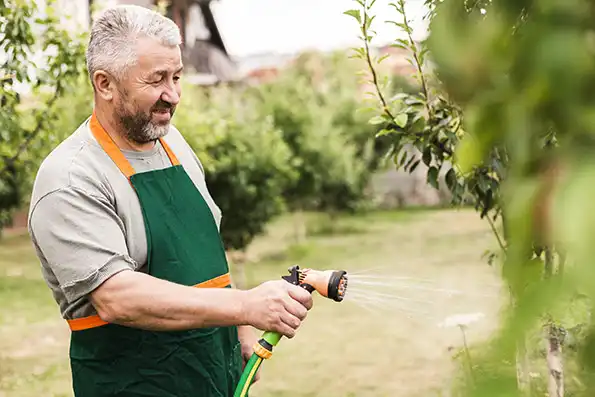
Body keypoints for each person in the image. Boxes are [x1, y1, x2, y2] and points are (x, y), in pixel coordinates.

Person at [27, 5, 313, 397]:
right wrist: (244, 306)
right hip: (136, 385)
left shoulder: (172, 144)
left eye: (177, 76)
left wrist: (240, 329)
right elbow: (117, 298)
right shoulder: (71, 177)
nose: (173, 95)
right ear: (105, 83)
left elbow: (205, 247)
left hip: (212, 375)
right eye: (157, 79)